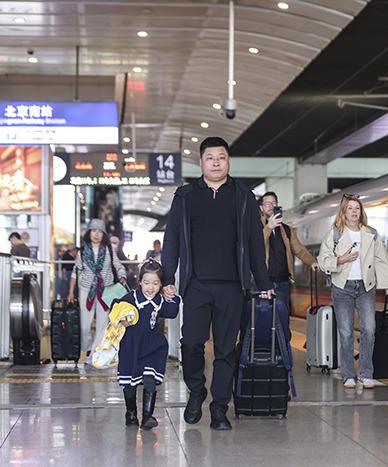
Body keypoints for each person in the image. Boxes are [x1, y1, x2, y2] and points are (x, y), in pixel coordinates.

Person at [161, 136, 274, 431]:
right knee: (191, 343)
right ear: (201, 162)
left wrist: (263, 282)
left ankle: (219, 407)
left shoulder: (243, 196)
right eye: (210, 158)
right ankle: (196, 390)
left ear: (228, 161)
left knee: (226, 350)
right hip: (196, 285)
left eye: (221, 157)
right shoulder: (185, 196)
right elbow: (172, 239)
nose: (215, 163)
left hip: (232, 286)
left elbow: (254, 242)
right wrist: (167, 277)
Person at [317, 193, 388, 390]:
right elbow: (322, 260)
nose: (354, 211)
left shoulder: (371, 233)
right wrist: (340, 260)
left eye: (357, 208)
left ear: (361, 212)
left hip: (365, 287)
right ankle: (348, 375)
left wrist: (387, 285)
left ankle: (365, 373)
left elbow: (381, 260)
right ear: (343, 212)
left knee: (369, 329)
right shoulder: (335, 234)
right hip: (342, 287)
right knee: (345, 333)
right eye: (350, 208)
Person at [115, 259, 180, 430]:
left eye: (155, 283)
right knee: (129, 384)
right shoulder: (132, 298)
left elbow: (172, 312)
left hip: (152, 346)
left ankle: (147, 417)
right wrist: (122, 318)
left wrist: (172, 296)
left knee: (150, 380)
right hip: (131, 346)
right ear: (140, 282)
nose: (150, 287)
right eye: (146, 283)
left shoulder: (159, 300)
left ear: (161, 285)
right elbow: (115, 308)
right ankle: (131, 413)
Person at [68, 219, 128, 361]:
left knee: (102, 323)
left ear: (104, 235)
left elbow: (119, 266)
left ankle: (94, 352)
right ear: (89, 233)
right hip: (86, 289)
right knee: (84, 324)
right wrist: (70, 292)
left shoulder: (109, 250)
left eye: (100, 232)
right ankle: (88, 347)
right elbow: (75, 272)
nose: (96, 234)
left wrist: (122, 276)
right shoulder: (82, 252)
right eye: (93, 231)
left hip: (105, 289)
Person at [259, 191, 318, 306]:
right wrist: (269, 227)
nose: (271, 206)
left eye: (274, 203)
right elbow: (255, 246)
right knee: (265, 312)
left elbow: (299, 250)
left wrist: (312, 262)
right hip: (264, 282)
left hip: (283, 281)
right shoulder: (255, 227)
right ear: (261, 208)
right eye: (267, 204)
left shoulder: (287, 229)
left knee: (283, 313)